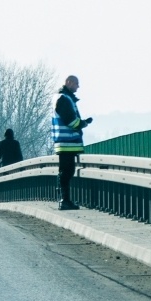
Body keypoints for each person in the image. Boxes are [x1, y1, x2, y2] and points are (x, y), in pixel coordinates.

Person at [52, 75, 93, 210]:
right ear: (69, 82)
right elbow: (71, 121)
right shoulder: (64, 99)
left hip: (64, 142)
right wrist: (82, 124)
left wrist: (82, 122)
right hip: (67, 142)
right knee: (67, 171)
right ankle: (65, 200)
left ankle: (64, 199)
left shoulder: (63, 98)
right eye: (76, 83)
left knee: (66, 171)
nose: (78, 87)